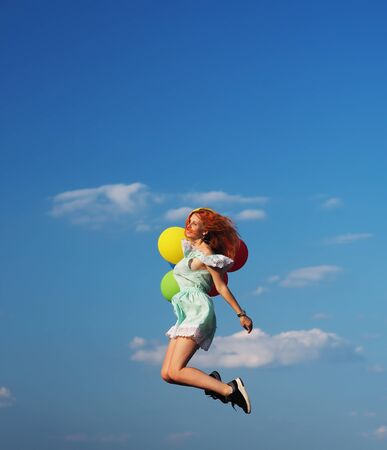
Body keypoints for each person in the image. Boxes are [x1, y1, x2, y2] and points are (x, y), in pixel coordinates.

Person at [161, 208, 253, 414]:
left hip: (197, 309)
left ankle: (230, 389)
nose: (188, 226)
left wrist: (241, 314)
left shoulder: (208, 255)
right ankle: (215, 384)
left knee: (176, 370)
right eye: (188, 222)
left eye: (194, 223)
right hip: (185, 312)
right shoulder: (191, 252)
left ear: (205, 231)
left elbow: (220, 287)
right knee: (167, 374)